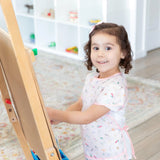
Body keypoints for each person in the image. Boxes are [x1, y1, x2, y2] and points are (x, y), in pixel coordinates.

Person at [46, 22, 136, 160]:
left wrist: (53, 113)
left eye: (108, 48)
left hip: (112, 153)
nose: (100, 54)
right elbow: (80, 104)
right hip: (93, 148)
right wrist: (60, 117)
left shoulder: (115, 87)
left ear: (123, 52)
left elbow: (86, 117)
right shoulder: (92, 78)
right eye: (96, 48)